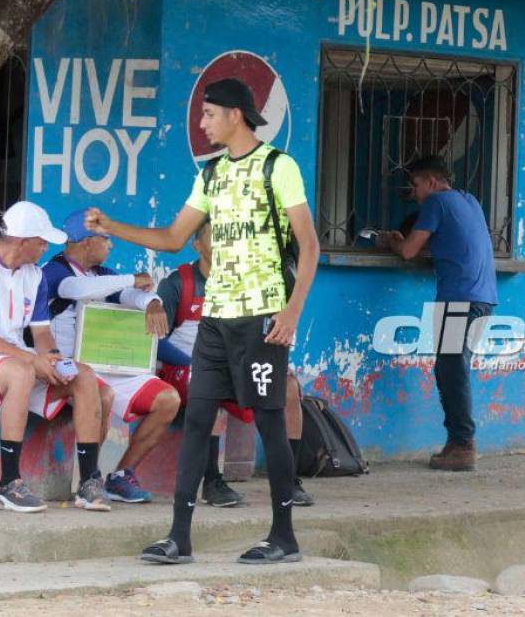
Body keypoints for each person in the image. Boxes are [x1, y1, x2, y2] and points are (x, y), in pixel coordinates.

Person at [86, 77, 320, 565]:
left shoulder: (279, 167)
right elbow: (173, 238)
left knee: (270, 423)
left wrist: (292, 310)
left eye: (208, 114)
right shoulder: (211, 174)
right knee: (196, 423)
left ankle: (284, 537)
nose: (202, 122)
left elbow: (310, 243)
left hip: (262, 318)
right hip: (216, 319)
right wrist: (112, 226)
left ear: (235, 114)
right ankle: (179, 538)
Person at [0, 202, 109, 513]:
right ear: (22, 241)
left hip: (16, 358)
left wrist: (52, 359)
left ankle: (89, 483)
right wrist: (31, 361)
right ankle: (8, 484)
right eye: (41, 241)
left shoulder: (35, 275)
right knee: (21, 371)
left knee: (82, 375)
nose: (46, 247)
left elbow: (42, 334)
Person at [156, 218, 313, 508]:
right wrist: (196, 362)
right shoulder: (178, 283)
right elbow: (155, 341)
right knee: (209, 385)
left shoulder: (248, 282)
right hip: (185, 369)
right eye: (215, 237)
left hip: (238, 365)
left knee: (289, 387)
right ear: (197, 245)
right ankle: (212, 481)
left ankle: (288, 480)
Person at [42, 209, 181, 503]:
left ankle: (121, 475)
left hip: (109, 362)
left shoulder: (103, 275)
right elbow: (76, 289)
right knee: (99, 394)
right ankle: (89, 480)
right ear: (87, 241)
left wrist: (152, 302)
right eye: (106, 239)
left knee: (168, 399)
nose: (111, 245)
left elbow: (131, 296)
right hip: (66, 368)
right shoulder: (55, 270)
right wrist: (131, 278)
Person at [382, 155, 498, 472]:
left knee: (451, 371)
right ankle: (458, 442)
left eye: (416, 185)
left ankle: (462, 444)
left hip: (459, 299)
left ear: (432, 182)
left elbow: (408, 251)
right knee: (453, 368)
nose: (415, 193)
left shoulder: (436, 203)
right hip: (484, 298)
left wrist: (392, 241)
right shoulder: (469, 200)